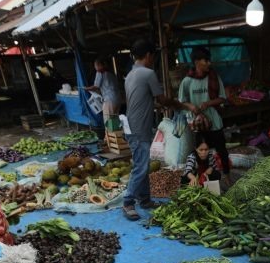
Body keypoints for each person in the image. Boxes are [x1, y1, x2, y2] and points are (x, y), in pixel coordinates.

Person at [123, 39, 194, 221]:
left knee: (143, 164)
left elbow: (142, 100)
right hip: (139, 127)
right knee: (141, 166)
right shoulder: (148, 73)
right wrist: (182, 105)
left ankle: (145, 200)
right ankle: (128, 202)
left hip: (132, 125)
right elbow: (163, 100)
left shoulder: (131, 74)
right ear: (148, 56)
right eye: (153, 56)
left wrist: (155, 105)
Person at [178, 46, 230, 184]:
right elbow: (181, 102)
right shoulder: (187, 81)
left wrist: (208, 103)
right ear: (196, 62)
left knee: (221, 150)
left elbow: (222, 98)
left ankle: (226, 175)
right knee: (201, 152)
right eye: (205, 60)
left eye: (209, 60)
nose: (209, 63)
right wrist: (191, 106)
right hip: (198, 124)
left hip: (215, 121)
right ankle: (202, 178)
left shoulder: (214, 77)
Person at [84, 58, 122, 122]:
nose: (95, 67)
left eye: (95, 65)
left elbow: (96, 86)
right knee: (115, 120)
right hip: (117, 99)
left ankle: (109, 132)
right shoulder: (110, 73)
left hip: (109, 100)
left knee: (108, 121)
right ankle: (116, 132)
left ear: (98, 65)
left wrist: (86, 88)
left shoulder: (100, 72)